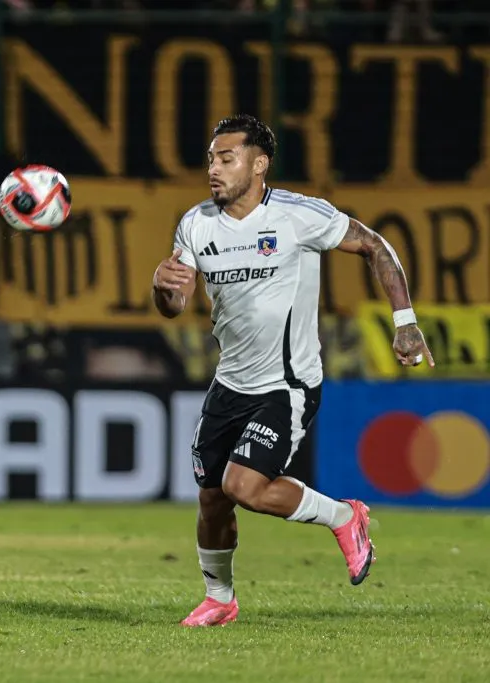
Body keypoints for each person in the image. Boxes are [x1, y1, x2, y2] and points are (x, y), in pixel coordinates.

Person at [152, 114, 434, 628]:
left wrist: (405, 321)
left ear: (259, 164)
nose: (213, 169)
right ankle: (220, 599)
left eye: (226, 158)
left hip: (286, 384)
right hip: (229, 383)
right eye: (211, 159)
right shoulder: (195, 224)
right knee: (212, 498)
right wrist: (163, 287)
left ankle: (346, 516)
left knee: (244, 487)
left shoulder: (298, 216)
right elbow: (174, 302)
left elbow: (375, 244)